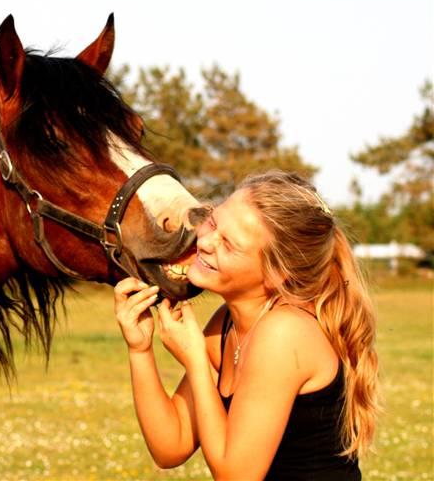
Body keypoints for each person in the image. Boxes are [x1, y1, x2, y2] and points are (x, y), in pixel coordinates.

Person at [114, 171, 380, 480]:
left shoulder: (285, 333)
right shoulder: (225, 323)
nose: (207, 242)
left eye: (229, 244)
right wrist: (140, 349)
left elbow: (237, 475)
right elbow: (170, 446)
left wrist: (196, 360)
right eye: (213, 222)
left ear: (277, 272)